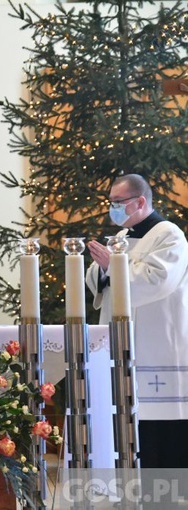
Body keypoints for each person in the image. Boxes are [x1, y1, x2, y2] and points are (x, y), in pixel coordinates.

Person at [85, 174, 188, 468]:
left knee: (159, 437)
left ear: (140, 201)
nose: (113, 208)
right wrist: (106, 269)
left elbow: (157, 281)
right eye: (111, 202)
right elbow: (96, 279)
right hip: (123, 342)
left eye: (119, 202)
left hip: (158, 346)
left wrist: (113, 266)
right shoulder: (120, 238)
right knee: (127, 426)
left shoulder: (168, 235)